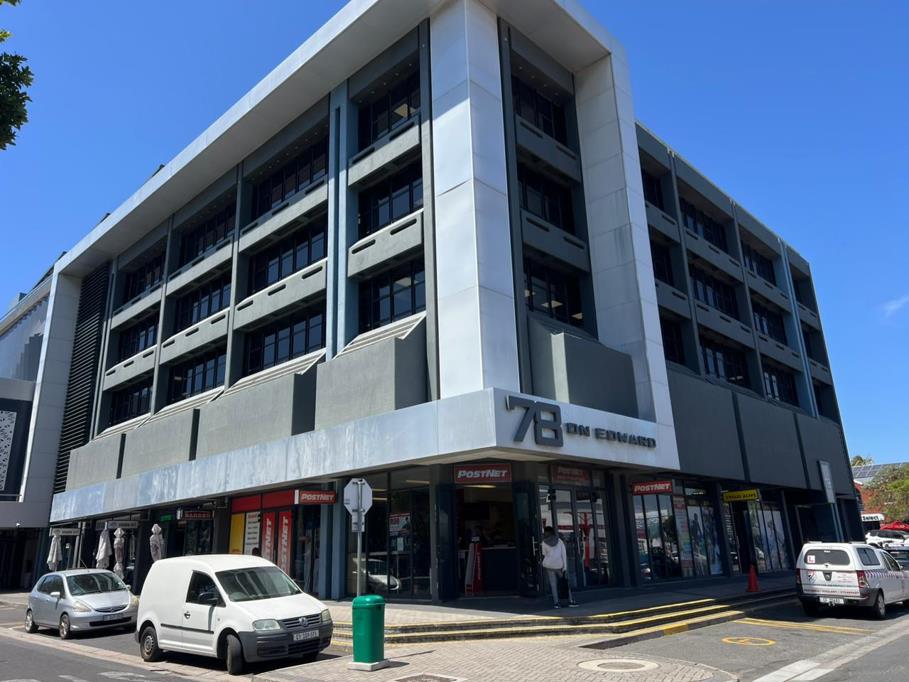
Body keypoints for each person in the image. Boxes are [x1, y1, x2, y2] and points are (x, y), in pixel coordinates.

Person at [541, 526, 577, 609]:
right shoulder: (559, 541)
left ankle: (556, 603)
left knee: (553, 584)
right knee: (564, 583)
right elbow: (563, 554)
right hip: (559, 566)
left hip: (549, 565)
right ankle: (570, 600)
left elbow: (544, 554)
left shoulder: (544, 543)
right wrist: (565, 567)